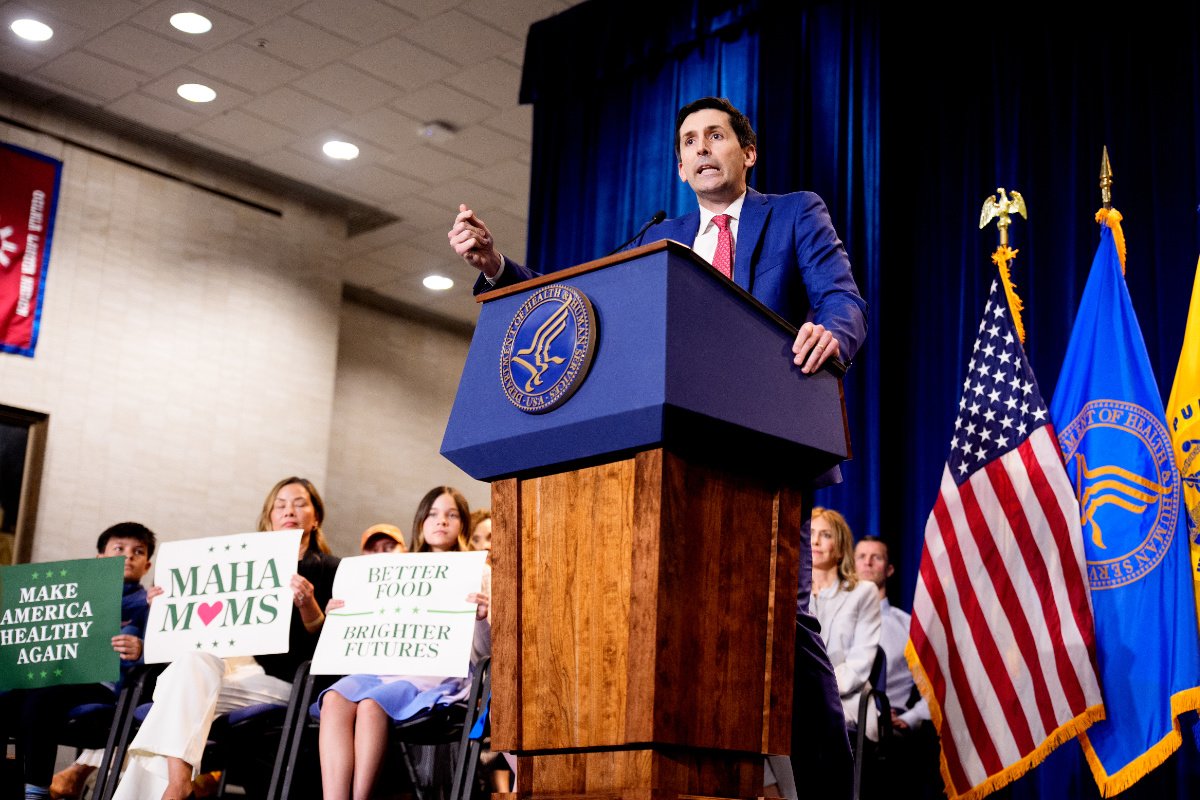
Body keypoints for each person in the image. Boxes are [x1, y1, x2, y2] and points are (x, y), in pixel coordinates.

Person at [448, 96, 867, 796]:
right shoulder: (657, 239)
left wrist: (833, 334)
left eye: (715, 137)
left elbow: (843, 300)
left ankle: (826, 788)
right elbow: (578, 304)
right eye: (688, 142)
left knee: (778, 632)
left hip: (761, 462)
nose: (701, 148)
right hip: (664, 467)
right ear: (678, 165)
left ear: (747, 152)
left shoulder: (794, 213)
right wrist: (497, 269)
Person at [112, 477, 339, 800]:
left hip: (276, 678)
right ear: (268, 517)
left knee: (170, 704)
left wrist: (308, 606)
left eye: (301, 503)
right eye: (280, 504)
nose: (290, 510)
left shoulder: (329, 568)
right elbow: (196, 626)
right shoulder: (242, 562)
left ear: (315, 517)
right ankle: (179, 783)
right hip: (218, 670)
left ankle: (175, 788)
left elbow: (328, 648)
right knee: (189, 665)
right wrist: (165, 607)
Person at [316, 487, 490, 800]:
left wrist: (481, 618)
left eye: (451, 515)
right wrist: (339, 617)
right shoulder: (395, 570)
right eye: (433, 514)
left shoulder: (479, 572)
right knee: (334, 699)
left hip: (437, 673)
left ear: (463, 524)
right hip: (386, 666)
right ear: (421, 521)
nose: (441, 521)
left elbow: (486, 651)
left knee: (372, 704)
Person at [1, 523, 156, 800]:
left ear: (147, 565)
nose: (128, 556)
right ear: (100, 558)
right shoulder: (71, 595)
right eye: (119, 549)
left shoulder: (150, 603)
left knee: (45, 690)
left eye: (138, 551)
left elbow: (162, 654)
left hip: (103, 684)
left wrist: (142, 648)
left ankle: (35, 790)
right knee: (15, 693)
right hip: (51, 677)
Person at [810, 508, 881, 732]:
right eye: (811, 533)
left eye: (826, 535)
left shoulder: (863, 592)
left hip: (844, 702)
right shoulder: (792, 594)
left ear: (840, 548)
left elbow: (859, 663)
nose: (816, 541)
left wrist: (816, 690)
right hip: (795, 700)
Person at [852, 536, 930, 732]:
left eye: (876, 557)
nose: (867, 562)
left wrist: (911, 717)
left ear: (889, 569)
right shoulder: (835, 619)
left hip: (889, 727)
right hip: (839, 720)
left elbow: (936, 684)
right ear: (852, 566)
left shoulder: (909, 627)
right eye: (861, 556)